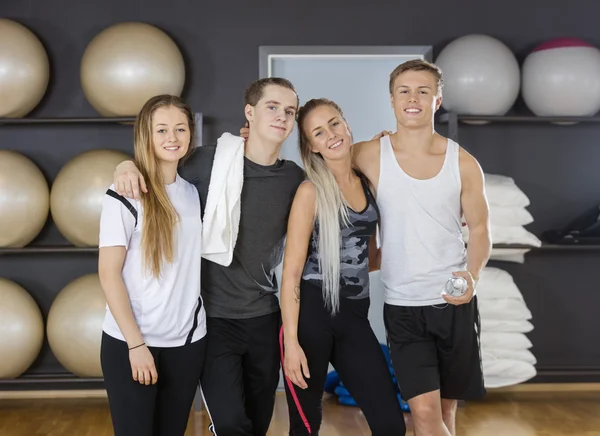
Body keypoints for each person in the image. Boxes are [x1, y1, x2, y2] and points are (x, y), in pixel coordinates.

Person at [112, 78, 305, 436]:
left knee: (257, 423)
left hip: (264, 317)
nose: (281, 116)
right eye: (272, 107)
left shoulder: (294, 178)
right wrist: (124, 166)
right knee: (231, 423)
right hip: (212, 320)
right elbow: (155, 171)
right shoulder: (205, 162)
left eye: (289, 111)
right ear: (250, 112)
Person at [352, 59, 491, 436]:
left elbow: (479, 230)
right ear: (392, 99)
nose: (413, 98)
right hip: (403, 306)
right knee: (425, 415)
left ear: (437, 99)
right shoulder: (366, 154)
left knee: (446, 415)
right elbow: (318, 159)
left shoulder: (462, 163)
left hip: (454, 303)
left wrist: (472, 276)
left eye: (423, 91)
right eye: (404, 91)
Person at [279, 98, 407, 435]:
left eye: (335, 123)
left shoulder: (367, 183)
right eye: (319, 133)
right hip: (310, 318)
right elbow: (291, 273)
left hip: (353, 317)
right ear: (312, 146)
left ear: (346, 125)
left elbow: (372, 258)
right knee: (306, 428)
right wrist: (291, 344)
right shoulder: (309, 192)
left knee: (391, 425)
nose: (331, 135)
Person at [98, 94, 207, 436]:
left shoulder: (194, 193)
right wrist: (136, 345)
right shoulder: (123, 194)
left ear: (191, 134)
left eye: (180, 129)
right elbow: (108, 273)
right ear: (146, 134)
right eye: (161, 130)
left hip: (187, 343)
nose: (172, 138)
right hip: (132, 343)